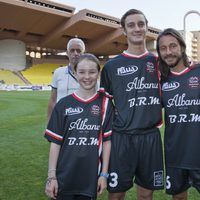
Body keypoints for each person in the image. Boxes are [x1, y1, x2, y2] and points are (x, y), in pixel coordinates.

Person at [100, 9, 164, 200]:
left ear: (146, 28)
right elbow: (105, 107)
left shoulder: (160, 63)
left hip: (150, 138)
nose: (137, 28)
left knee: (145, 196)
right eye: (131, 25)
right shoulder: (112, 67)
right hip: (122, 139)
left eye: (141, 24)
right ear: (124, 31)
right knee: (116, 195)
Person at [44, 53, 114, 200]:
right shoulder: (63, 104)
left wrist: (104, 174)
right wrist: (51, 177)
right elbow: (55, 144)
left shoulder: (106, 104)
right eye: (81, 72)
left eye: (92, 72)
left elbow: (107, 142)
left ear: (98, 73)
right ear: (75, 73)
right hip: (64, 175)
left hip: (90, 177)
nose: (87, 77)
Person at [157, 28, 200, 200]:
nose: (168, 52)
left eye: (173, 46)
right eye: (163, 48)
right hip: (175, 154)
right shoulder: (161, 81)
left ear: (182, 47)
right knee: (179, 197)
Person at [47, 38, 85, 120]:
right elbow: (53, 100)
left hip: (82, 122)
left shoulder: (90, 75)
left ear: (83, 53)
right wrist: (49, 124)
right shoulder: (58, 72)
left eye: (78, 50)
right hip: (61, 120)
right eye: (72, 50)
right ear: (67, 53)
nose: (75, 53)